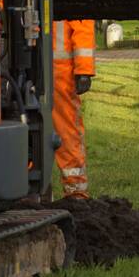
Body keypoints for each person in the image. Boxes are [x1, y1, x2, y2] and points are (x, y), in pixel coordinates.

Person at [52, 19, 95, 199]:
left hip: (60, 72)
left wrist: (83, 69)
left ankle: (75, 190)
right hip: (33, 68)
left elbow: (82, 22)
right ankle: (29, 189)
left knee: (67, 130)